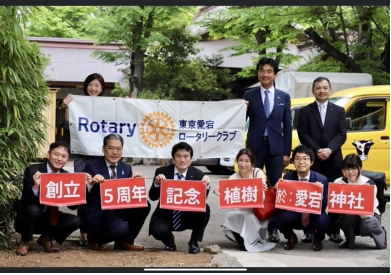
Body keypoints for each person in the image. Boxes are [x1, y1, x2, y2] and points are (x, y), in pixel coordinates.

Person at [243, 57, 292, 243]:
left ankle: (273, 228)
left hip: (275, 149)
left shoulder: (283, 97)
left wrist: (287, 152)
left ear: (275, 74)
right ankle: (252, 227)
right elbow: (239, 120)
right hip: (254, 148)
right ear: (258, 73)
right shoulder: (249, 95)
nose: (265, 74)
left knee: (274, 188)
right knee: (253, 187)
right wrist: (241, 109)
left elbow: (287, 125)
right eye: (262, 71)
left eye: (269, 71)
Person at [78, 134, 150, 251]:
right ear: (103, 149)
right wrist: (91, 183)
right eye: (111, 148)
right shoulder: (91, 166)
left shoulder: (126, 168)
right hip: (97, 211)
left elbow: (128, 196)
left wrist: (134, 182)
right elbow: (80, 193)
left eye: (119, 149)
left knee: (144, 205)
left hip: (116, 210)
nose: (115, 152)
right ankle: (95, 239)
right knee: (121, 228)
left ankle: (124, 242)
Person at [14, 141, 87, 256]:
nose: (59, 159)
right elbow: (26, 201)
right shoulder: (33, 171)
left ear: (67, 159)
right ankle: (25, 241)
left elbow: (72, 207)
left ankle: (46, 238)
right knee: (33, 210)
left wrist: (82, 188)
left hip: (51, 218)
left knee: (75, 221)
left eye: (63, 156)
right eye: (56, 154)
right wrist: (36, 186)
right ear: (49, 154)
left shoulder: (67, 176)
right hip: (28, 219)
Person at [297, 76, 347, 244]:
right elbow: (303, 133)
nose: (322, 91)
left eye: (325, 88)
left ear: (330, 90)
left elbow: (342, 134)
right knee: (311, 197)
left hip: (333, 161)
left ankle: (334, 231)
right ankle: (309, 231)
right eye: (318, 88)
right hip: (314, 160)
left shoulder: (339, 111)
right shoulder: (305, 111)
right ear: (313, 91)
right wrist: (317, 150)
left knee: (333, 198)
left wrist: (329, 150)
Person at [61, 73, 105, 246]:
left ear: (102, 89)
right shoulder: (77, 104)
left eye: (97, 85)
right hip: (82, 156)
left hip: (101, 156)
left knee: (100, 192)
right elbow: (68, 126)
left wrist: (128, 103)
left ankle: (98, 232)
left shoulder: (109, 106)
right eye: (91, 85)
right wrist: (66, 107)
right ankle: (83, 232)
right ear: (86, 86)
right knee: (83, 192)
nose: (93, 88)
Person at [148, 142, 211, 254]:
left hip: (188, 215)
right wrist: (157, 184)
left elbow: (200, 201)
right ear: (173, 158)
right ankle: (169, 241)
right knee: (157, 230)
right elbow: (152, 197)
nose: (182, 160)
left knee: (205, 208)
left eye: (186, 156)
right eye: (178, 156)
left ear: (191, 159)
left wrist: (206, 186)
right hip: (166, 214)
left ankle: (194, 241)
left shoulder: (198, 175)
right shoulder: (162, 172)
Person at [213, 148, 276, 252]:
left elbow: (261, 200)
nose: (243, 164)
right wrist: (221, 195)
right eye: (240, 160)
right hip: (241, 210)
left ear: (252, 163)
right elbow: (231, 203)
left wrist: (262, 191)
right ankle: (242, 241)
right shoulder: (233, 177)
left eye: (247, 161)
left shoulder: (257, 173)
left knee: (249, 216)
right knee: (231, 215)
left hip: (256, 212)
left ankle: (250, 241)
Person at [274, 145, 329, 251]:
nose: (301, 162)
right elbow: (282, 204)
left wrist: (318, 193)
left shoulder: (321, 179)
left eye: (305, 158)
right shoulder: (288, 178)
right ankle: (290, 237)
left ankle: (317, 239)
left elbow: (324, 206)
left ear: (312, 162)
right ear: (293, 162)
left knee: (324, 219)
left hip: (312, 216)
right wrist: (278, 189)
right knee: (278, 217)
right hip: (295, 214)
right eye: (297, 159)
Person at [334, 154, 387, 250]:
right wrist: (338, 189)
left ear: (360, 169)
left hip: (369, 216)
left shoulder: (369, 184)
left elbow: (367, 214)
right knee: (345, 218)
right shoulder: (338, 182)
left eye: (354, 168)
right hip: (350, 216)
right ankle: (349, 240)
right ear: (343, 170)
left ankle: (380, 233)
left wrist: (365, 194)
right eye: (347, 169)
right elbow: (332, 208)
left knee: (367, 225)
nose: (350, 172)